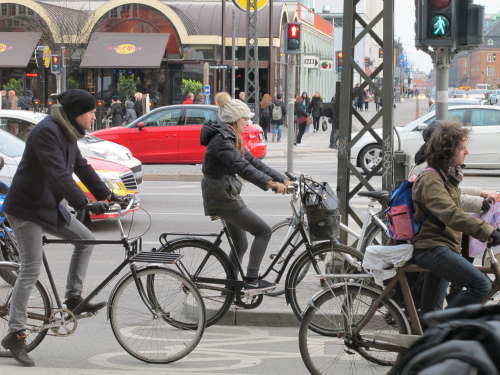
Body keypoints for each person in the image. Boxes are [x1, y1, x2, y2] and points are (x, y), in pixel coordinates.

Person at [1, 89, 113, 367]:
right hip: (26, 208)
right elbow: (58, 174)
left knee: (86, 239)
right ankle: (15, 334)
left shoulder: (66, 130)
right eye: (91, 111)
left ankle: (73, 298)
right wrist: (85, 203)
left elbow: (81, 166)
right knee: (31, 268)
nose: (94, 115)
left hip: (49, 206)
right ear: (77, 113)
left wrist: (107, 195)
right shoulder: (47, 132)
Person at [201, 92, 287, 292]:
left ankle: (231, 288)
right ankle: (251, 280)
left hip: (225, 192)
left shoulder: (231, 137)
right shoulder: (222, 142)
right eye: (245, 119)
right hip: (222, 197)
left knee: (240, 245)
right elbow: (243, 168)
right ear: (235, 120)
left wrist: (281, 178)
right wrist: (270, 184)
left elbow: (253, 162)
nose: (248, 122)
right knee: (263, 231)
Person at [411, 121, 500, 315]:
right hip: (433, 248)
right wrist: (487, 231)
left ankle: (431, 337)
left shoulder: (444, 176)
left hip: (444, 246)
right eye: (462, 148)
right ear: (448, 151)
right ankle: (446, 327)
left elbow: (458, 199)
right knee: (481, 286)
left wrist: (483, 202)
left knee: (431, 311)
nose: (466, 152)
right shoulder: (430, 179)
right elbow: (451, 213)